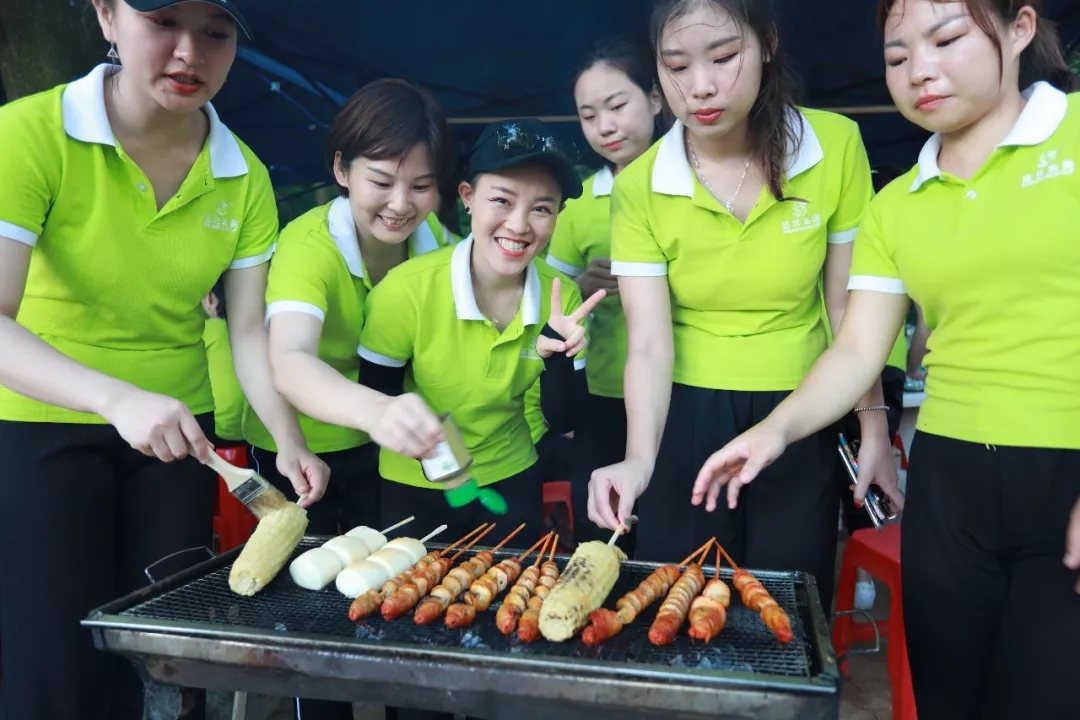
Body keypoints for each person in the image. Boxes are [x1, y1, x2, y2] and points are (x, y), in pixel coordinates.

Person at [691, 1, 1080, 717]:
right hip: (950, 482)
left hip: (1066, 469)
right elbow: (857, 347)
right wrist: (774, 431)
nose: (919, 71)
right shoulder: (896, 203)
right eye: (898, 57)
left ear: (1020, 29)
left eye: (946, 39)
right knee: (946, 697)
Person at [0, 2, 328, 719]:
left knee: (161, 655)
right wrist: (116, 398)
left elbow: (248, 333)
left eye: (215, 32)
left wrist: (289, 439)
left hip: (177, 444)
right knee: (50, 660)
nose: (189, 52)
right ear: (107, 15)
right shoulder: (28, 134)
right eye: (163, 21)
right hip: (36, 424)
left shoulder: (243, 175)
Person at [586, 0, 898, 612]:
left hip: (805, 406)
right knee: (680, 599)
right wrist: (639, 460)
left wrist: (874, 429)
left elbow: (846, 311)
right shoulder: (640, 186)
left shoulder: (833, 145)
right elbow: (647, 342)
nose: (700, 86)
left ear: (767, 44)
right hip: (683, 416)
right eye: (677, 66)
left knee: (786, 604)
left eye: (725, 57)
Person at [358, 118, 605, 560]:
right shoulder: (405, 291)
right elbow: (376, 401)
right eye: (502, 200)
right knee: (413, 597)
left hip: (514, 480)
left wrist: (559, 359)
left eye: (541, 208)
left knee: (511, 595)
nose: (519, 225)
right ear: (468, 197)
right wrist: (449, 467)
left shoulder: (562, 296)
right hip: (417, 485)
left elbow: (564, 420)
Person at [254, 78, 458, 543]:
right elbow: (290, 358)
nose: (401, 204)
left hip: (390, 448)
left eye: (422, 185)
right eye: (381, 182)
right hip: (300, 447)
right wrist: (378, 411)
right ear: (342, 169)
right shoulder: (308, 246)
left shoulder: (439, 243)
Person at [546, 36, 663, 551]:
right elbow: (546, 302)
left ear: (655, 99)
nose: (605, 127)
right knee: (605, 533)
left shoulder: (695, 186)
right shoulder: (578, 207)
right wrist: (579, 288)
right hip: (603, 396)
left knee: (673, 532)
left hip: (685, 388)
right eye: (589, 116)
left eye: (617, 106)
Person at [203, 286, 244, 445]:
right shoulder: (258, 336)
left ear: (210, 300)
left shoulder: (207, 332)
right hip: (255, 430)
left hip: (217, 431)